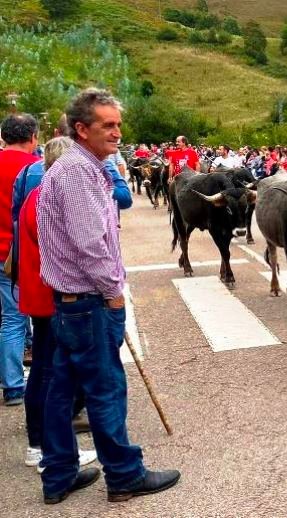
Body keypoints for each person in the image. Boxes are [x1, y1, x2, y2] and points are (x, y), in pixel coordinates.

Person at [36, 88, 180, 504]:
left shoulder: (79, 167)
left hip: (70, 301)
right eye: (107, 125)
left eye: (118, 124)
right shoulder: (78, 173)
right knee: (106, 388)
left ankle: (59, 472)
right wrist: (113, 292)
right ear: (81, 129)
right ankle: (123, 474)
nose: (117, 132)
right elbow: (89, 244)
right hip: (88, 301)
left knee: (62, 388)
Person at [18, 137, 98, 473]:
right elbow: (72, 251)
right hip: (53, 296)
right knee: (53, 376)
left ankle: (43, 445)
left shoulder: (35, 196)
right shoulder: (51, 199)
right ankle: (47, 449)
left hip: (39, 293)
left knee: (44, 373)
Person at [0, 113, 40, 406]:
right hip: (23, 253)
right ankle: (20, 384)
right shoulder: (36, 168)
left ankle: (13, 380)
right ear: (33, 137)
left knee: (9, 318)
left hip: (2, 255)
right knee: (25, 318)